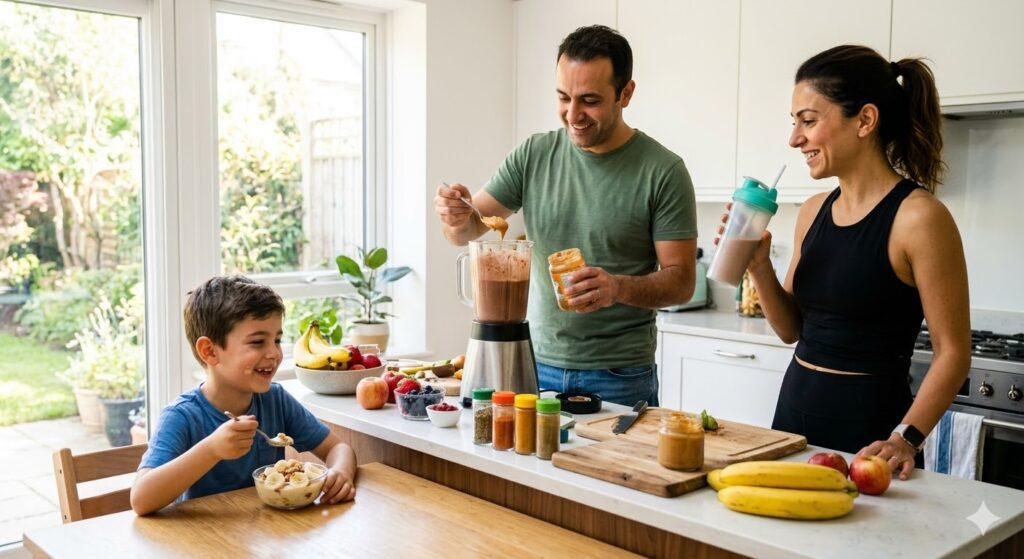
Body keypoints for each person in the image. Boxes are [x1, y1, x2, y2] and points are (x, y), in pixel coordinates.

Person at [720, 45, 970, 480]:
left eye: (808, 121)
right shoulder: (812, 211)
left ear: (865, 121)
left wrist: (905, 437)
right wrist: (758, 265)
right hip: (794, 412)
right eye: (794, 122)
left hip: (871, 431)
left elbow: (953, 353)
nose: (795, 138)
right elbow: (790, 330)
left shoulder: (919, 218)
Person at [434, 25, 698, 407]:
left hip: (620, 375)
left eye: (589, 100)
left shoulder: (663, 171)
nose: (573, 114)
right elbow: (469, 231)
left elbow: (681, 282)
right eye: (563, 97)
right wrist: (455, 217)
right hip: (532, 365)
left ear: (626, 94)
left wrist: (617, 288)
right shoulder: (534, 155)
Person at [131, 276, 357, 514]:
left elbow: (338, 448)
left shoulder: (275, 400)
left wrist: (340, 473)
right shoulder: (182, 416)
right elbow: (141, 499)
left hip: (266, 538)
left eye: (277, 340)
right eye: (258, 342)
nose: (274, 353)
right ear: (209, 351)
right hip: (209, 543)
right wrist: (211, 450)